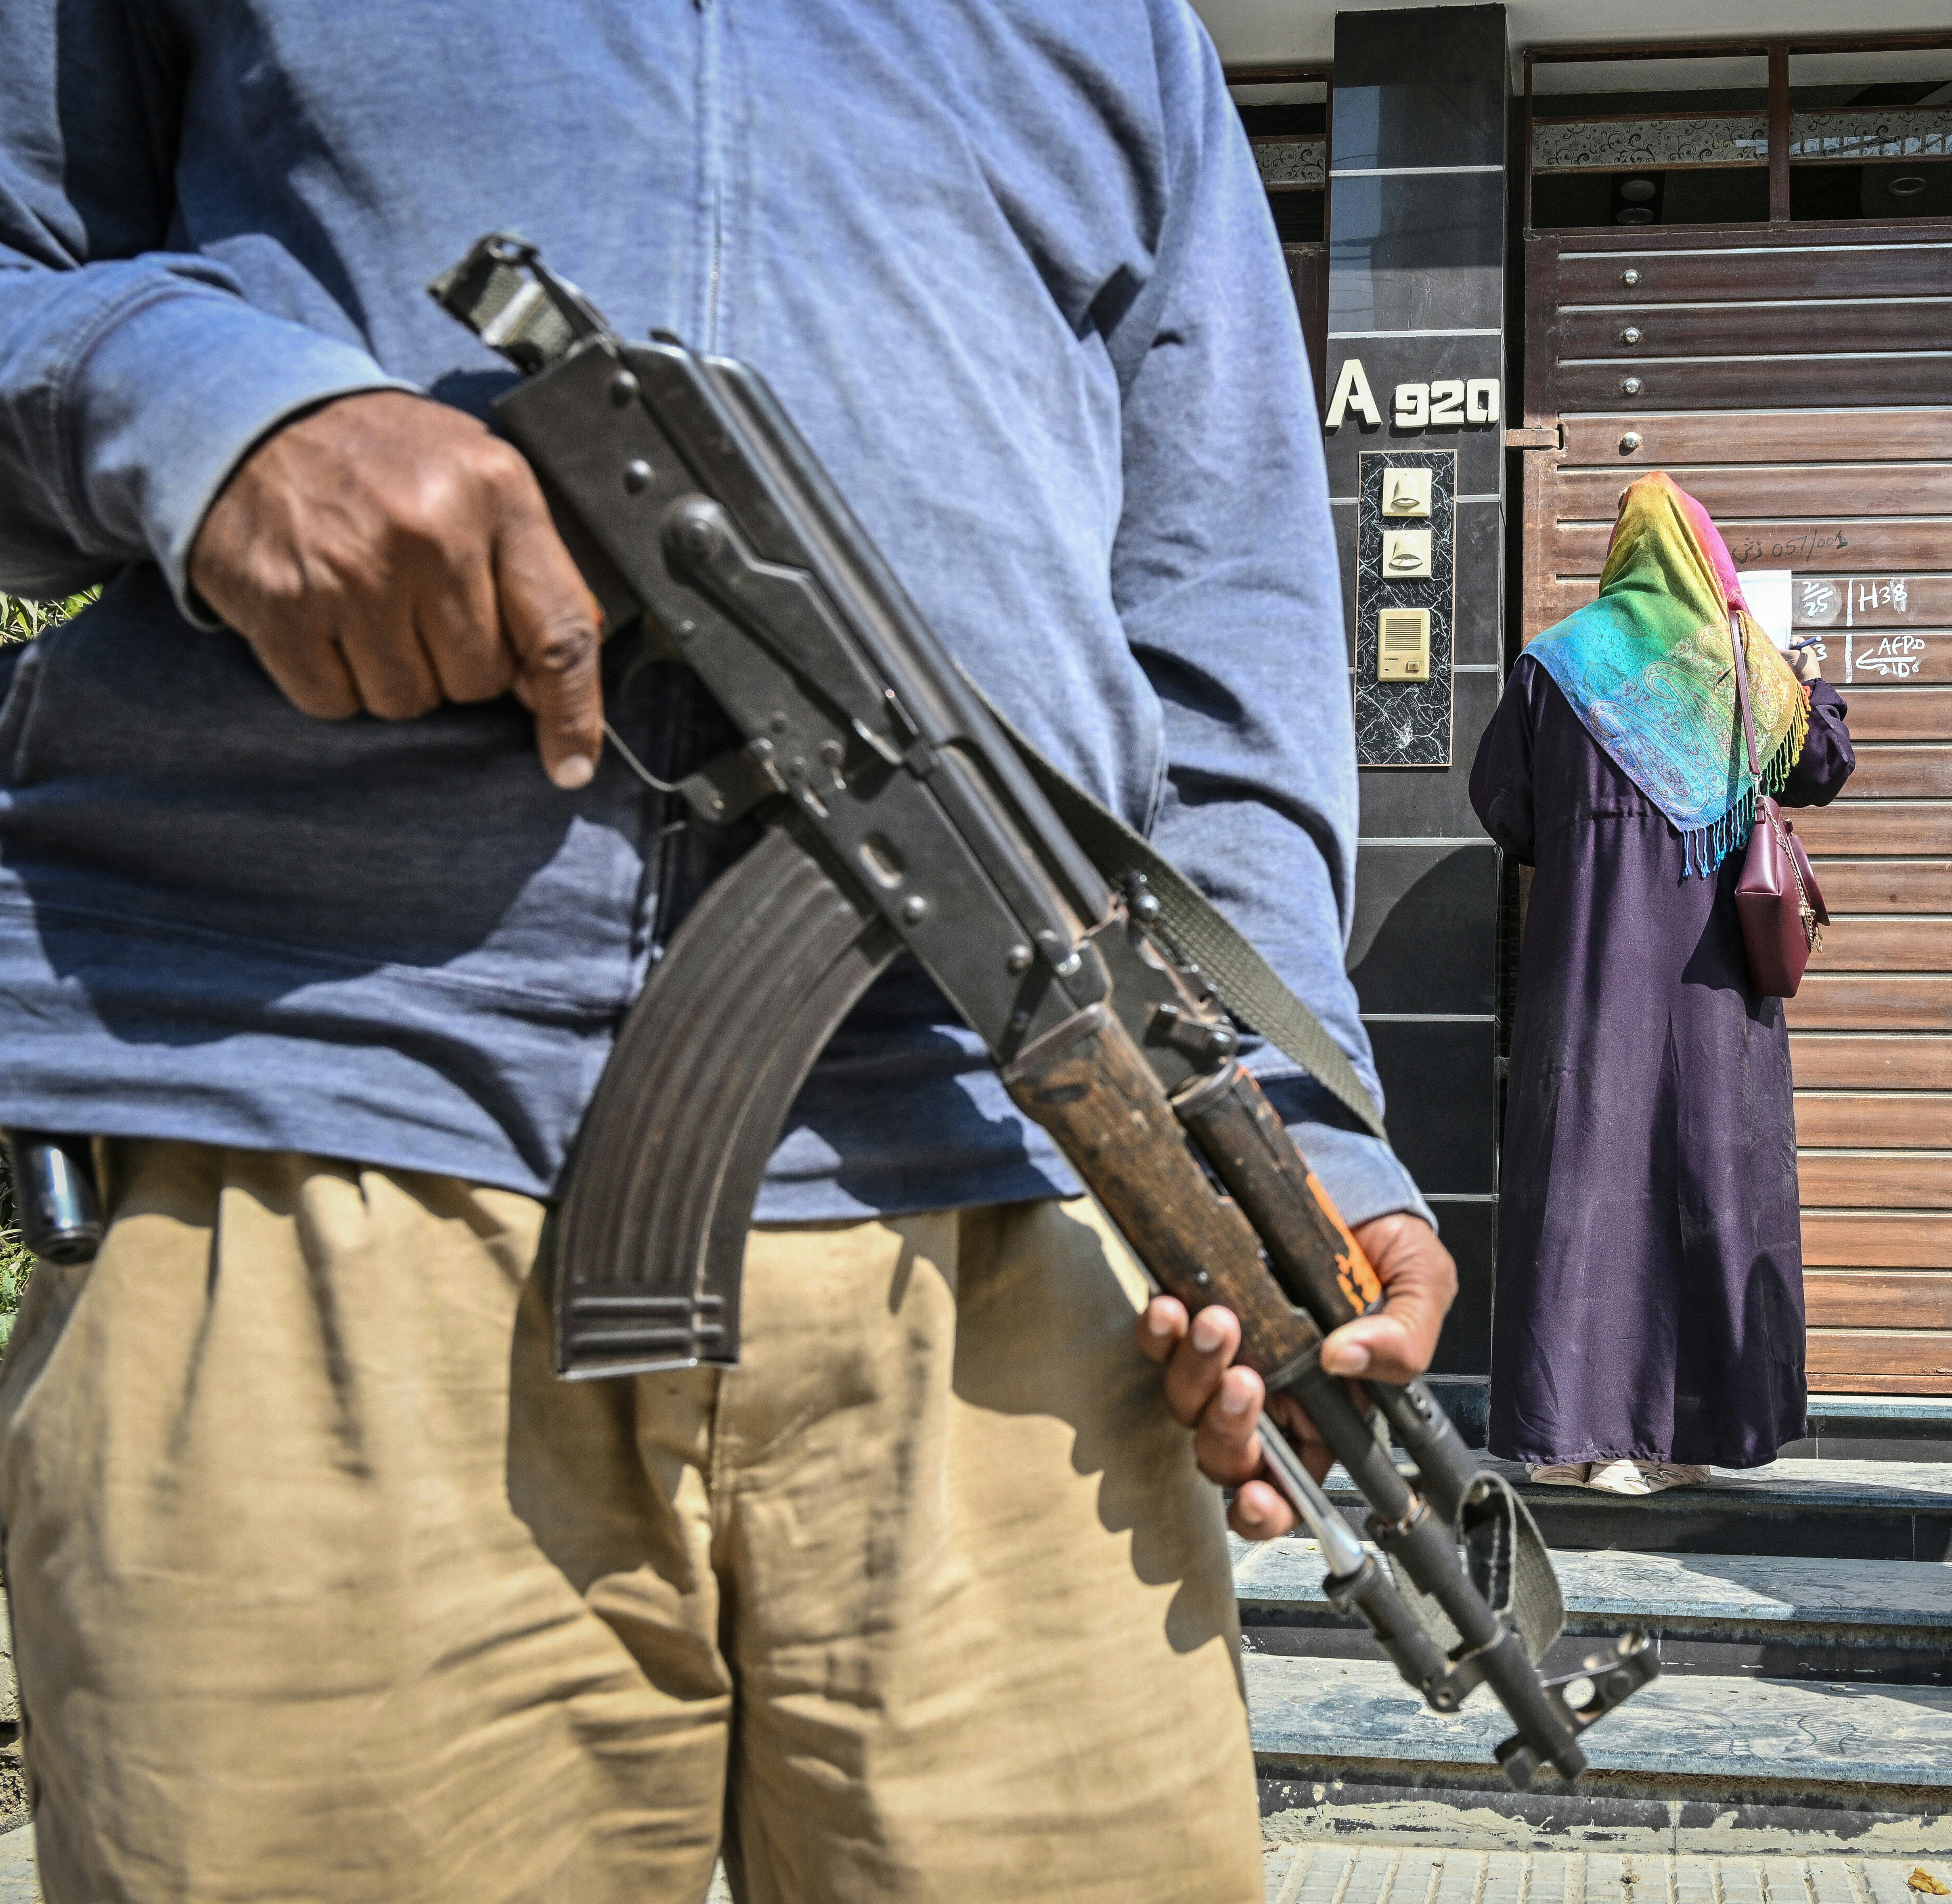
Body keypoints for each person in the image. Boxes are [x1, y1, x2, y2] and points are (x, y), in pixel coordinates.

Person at [0, 6, 1449, 1899]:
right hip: (326, 1161)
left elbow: (1220, 611)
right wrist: (207, 415)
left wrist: (1284, 1129)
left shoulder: (1127, 27)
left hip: (1019, 1226)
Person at [1468, 474, 1853, 1497]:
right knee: (1706, 1181)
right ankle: (1686, 1442)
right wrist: (1808, 680)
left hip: (1584, 977)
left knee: (1580, 1185)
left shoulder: (1555, 664)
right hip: (1712, 992)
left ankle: (1571, 1441)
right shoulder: (1738, 664)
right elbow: (1820, 767)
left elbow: (1502, 807)